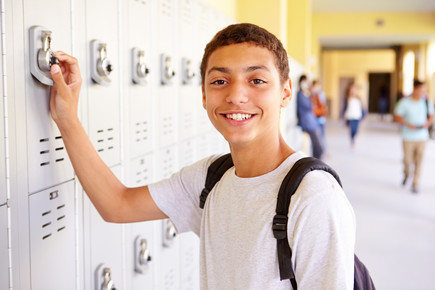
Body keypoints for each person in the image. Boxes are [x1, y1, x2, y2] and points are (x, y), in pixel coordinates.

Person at [49, 23, 355, 289]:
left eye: (257, 80)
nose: (236, 95)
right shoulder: (210, 178)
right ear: (204, 96)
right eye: (220, 81)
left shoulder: (313, 197)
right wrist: (67, 118)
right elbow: (117, 204)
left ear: (286, 92)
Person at [394, 79, 434, 193]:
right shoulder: (404, 102)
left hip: (422, 137)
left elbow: (431, 116)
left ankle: (415, 183)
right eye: (422, 89)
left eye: (425, 90)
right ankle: (407, 174)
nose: (424, 92)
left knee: (419, 161)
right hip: (408, 137)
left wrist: (427, 123)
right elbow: (397, 117)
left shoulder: (426, 102)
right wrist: (408, 124)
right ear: (415, 89)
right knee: (407, 160)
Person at [296, 75, 324, 159]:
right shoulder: (300, 94)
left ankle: (316, 162)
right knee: (318, 148)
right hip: (307, 124)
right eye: (304, 82)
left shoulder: (307, 94)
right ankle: (316, 163)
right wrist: (310, 94)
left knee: (317, 147)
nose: (306, 84)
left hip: (312, 122)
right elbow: (309, 106)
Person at [343, 83, 364, 148]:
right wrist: (343, 117)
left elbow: (362, 107)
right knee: (352, 129)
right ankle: (352, 140)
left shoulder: (359, 98)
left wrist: (363, 115)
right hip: (350, 116)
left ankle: (353, 138)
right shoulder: (347, 98)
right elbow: (344, 108)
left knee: (356, 130)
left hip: (357, 116)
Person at [310, 80, 328, 151]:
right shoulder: (311, 94)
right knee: (316, 137)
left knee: (322, 135)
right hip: (314, 119)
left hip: (321, 118)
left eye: (318, 86)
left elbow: (323, 105)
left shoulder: (321, 94)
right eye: (316, 86)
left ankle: (324, 150)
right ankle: (318, 150)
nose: (317, 87)